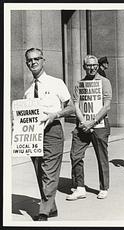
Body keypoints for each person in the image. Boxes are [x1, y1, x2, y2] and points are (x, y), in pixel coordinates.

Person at [23, 48, 74, 221]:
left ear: (43, 60)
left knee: (49, 172)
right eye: (30, 60)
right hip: (33, 134)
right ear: (27, 63)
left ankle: (43, 211)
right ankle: (51, 207)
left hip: (52, 131)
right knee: (39, 171)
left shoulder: (56, 83)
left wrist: (56, 115)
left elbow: (71, 107)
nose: (33, 62)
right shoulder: (28, 91)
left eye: (36, 59)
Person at [66, 55, 112, 200]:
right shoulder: (79, 84)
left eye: (94, 65)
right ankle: (80, 187)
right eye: (88, 65)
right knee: (75, 155)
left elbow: (107, 105)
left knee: (102, 157)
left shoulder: (104, 82)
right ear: (84, 67)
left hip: (99, 126)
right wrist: (83, 122)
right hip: (82, 126)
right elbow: (76, 105)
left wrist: (92, 122)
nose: (91, 68)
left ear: (97, 66)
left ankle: (104, 187)